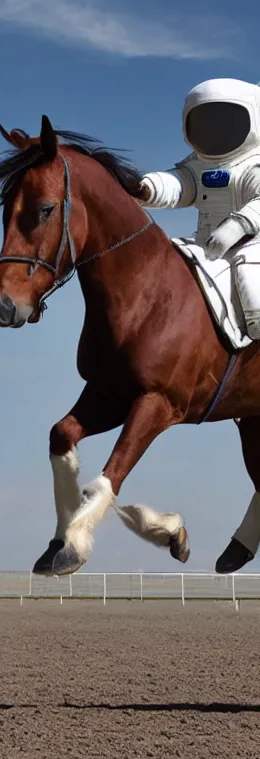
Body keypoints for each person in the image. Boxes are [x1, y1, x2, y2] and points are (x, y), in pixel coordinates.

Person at [135, 78, 260, 573]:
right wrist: (144, 187)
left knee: (250, 282)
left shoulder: (256, 164)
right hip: (205, 244)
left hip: (251, 246)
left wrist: (236, 229)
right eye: (206, 121)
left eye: (226, 120)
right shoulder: (198, 165)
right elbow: (178, 185)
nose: (216, 130)